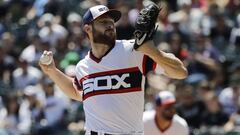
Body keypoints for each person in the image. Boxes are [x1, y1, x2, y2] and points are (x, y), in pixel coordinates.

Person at [39, 4, 187, 135]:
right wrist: (52, 70)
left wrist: (153, 51)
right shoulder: (83, 66)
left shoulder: (133, 50)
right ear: (87, 28)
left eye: (111, 21)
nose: (110, 25)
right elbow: (76, 91)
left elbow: (180, 72)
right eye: (103, 22)